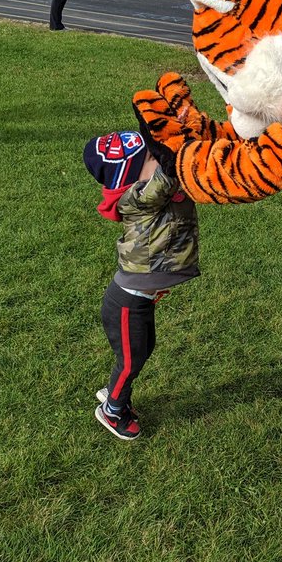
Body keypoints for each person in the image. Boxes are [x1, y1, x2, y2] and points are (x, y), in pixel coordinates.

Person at [83, 113, 199, 441]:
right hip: (127, 303)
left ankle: (115, 392)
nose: (157, 154)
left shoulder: (149, 191)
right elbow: (168, 172)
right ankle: (112, 409)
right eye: (150, 155)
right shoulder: (137, 198)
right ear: (131, 178)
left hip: (138, 299)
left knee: (142, 351)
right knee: (132, 359)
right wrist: (172, 141)